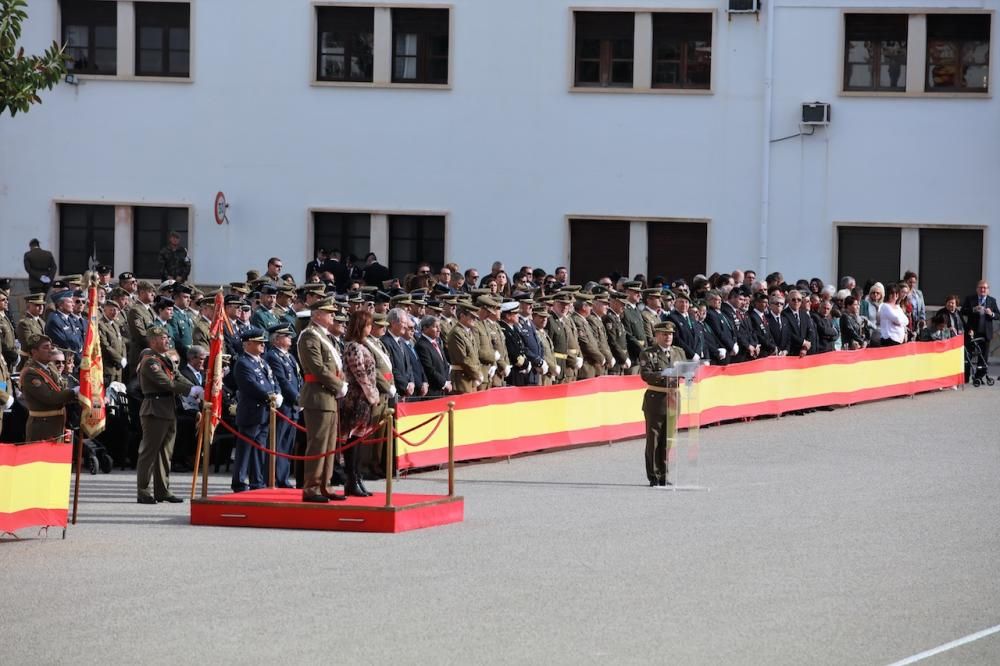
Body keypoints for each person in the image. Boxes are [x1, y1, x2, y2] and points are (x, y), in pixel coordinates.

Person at [135, 327, 199, 504]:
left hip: (168, 408)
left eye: (167, 337)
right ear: (153, 341)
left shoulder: (164, 359)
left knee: (165, 453)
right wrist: (190, 390)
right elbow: (165, 382)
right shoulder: (150, 361)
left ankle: (162, 490)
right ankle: (144, 491)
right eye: (163, 338)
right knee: (149, 451)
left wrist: (195, 387)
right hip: (155, 408)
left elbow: (177, 377)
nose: (167, 341)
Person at [297, 297, 348, 502]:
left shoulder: (324, 336)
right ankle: (311, 487)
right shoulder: (310, 336)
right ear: (317, 314)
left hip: (328, 395)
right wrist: (338, 385)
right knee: (318, 444)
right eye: (329, 313)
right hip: (317, 395)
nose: (332, 316)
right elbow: (317, 368)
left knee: (329, 445)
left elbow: (334, 365)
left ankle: (325, 485)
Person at [232, 327, 280, 493]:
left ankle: (256, 481)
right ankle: (238, 482)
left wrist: (277, 394)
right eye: (258, 343)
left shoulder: (262, 362)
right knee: (245, 450)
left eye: (263, 343)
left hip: (265, 412)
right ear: (247, 344)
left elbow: (274, 381)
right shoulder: (243, 363)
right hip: (252, 411)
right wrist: (270, 397)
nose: (263, 346)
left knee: (259, 449)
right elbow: (250, 386)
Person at [639, 322, 686, 487]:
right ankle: (654, 475)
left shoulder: (678, 352)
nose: (668, 337)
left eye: (670, 334)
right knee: (654, 439)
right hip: (656, 399)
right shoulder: (648, 354)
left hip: (674, 398)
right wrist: (666, 373)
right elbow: (646, 375)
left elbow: (685, 370)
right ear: (657, 336)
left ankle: (664, 474)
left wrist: (689, 374)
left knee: (668, 439)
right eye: (665, 334)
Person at [340, 311, 381, 497]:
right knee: (353, 440)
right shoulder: (353, 347)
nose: (370, 328)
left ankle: (356, 478)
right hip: (356, 398)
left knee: (359, 439)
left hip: (364, 398)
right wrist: (372, 394)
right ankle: (351, 478)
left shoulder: (362, 345)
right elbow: (360, 374)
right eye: (367, 325)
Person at [960, 280, 997, 377]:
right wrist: (973, 309)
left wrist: (991, 314)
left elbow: (998, 315)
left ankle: (979, 377)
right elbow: (962, 311)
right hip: (972, 332)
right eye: (981, 287)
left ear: (988, 290)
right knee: (968, 354)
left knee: (983, 356)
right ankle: (966, 377)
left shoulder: (992, 300)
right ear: (977, 289)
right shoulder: (970, 299)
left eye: (985, 288)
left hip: (986, 333)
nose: (982, 289)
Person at [446, 303, 483, 394]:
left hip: (470, 378)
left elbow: (474, 356)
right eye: (472, 317)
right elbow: (463, 359)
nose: (475, 320)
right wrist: (477, 374)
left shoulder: (468, 332)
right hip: (461, 380)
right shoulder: (456, 333)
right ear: (462, 316)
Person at [415, 315, 451, 395]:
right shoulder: (422, 345)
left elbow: (445, 364)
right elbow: (429, 369)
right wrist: (444, 383)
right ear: (425, 328)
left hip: (442, 389)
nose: (439, 330)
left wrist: (448, 381)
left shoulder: (436, 343)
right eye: (435, 327)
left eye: (439, 327)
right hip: (433, 390)